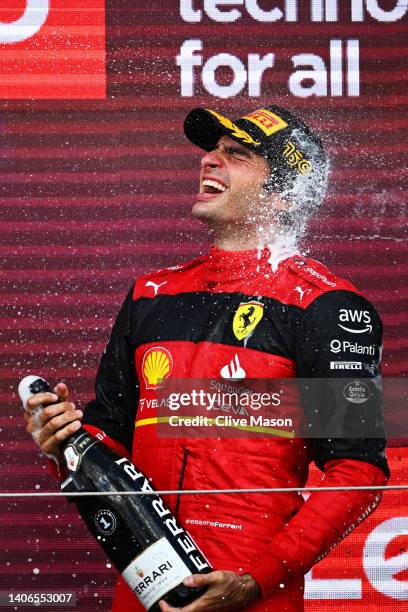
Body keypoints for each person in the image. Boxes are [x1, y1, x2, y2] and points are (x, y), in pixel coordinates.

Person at [24, 105, 389, 611]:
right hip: (142, 594)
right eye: (211, 151)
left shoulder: (327, 306)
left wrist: (256, 580)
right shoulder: (151, 295)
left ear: (284, 194)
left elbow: (358, 471)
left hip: (251, 596)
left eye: (235, 154)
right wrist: (63, 441)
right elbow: (108, 446)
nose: (209, 162)